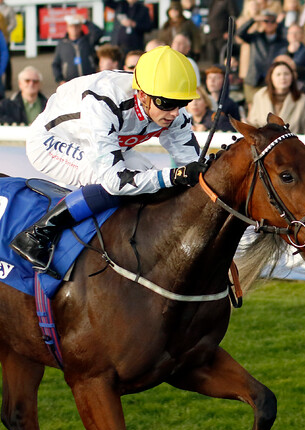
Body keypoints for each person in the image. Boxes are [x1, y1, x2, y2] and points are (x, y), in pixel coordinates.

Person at [10, 46, 205, 278]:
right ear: (142, 94)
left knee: (147, 177)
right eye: (166, 103)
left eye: (181, 103)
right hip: (51, 141)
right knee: (121, 184)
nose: (174, 113)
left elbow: (198, 171)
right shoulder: (105, 98)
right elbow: (115, 181)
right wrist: (174, 176)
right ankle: (37, 234)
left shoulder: (173, 113)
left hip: (97, 142)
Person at [237, 9, 288, 104]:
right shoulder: (256, 37)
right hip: (253, 79)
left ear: (276, 23)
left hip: (272, 82)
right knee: (252, 112)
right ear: (262, 23)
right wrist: (253, 19)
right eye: (266, 21)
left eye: (272, 21)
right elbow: (239, 33)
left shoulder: (282, 41)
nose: (269, 24)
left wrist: (281, 22)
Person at [248, 60, 305, 133]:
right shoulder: (260, 95)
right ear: (271, 77)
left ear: (292, 77)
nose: (283, 78)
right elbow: (253, 124)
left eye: (286, 74)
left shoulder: (303, 100)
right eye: (278, 74)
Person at [51, 15, 103, 85]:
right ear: (67, 28)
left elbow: (99, 32)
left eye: (76, 26)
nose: (74, 29)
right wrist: (60, 80)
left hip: (89, 81)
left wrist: (85, 21)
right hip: (70, 83)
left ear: (81, 27)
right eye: (71, 26)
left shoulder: (88, 40)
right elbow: (55, 64)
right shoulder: (62, 44)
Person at [205, 0, 238, 64]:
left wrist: (230, 32)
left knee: (222, 59)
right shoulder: (213, 2)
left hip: (222, 37)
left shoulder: (229, 2)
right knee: (212, 60)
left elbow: (233, 17)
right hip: (211, 36)